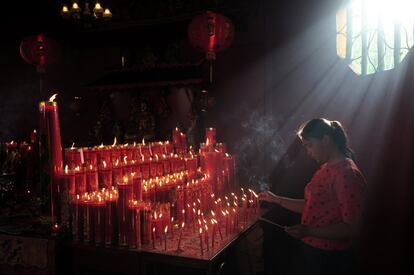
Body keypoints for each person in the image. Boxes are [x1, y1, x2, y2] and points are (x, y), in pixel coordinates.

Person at [259, 118, 365, 275]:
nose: (308, 152)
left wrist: (308, 231)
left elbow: (350, 228)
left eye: (310, 145)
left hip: (330, 258)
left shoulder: (346, 174)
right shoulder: (326, 167)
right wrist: (276, 199)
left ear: (326, 140)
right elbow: (312, 205)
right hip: (314, 251)